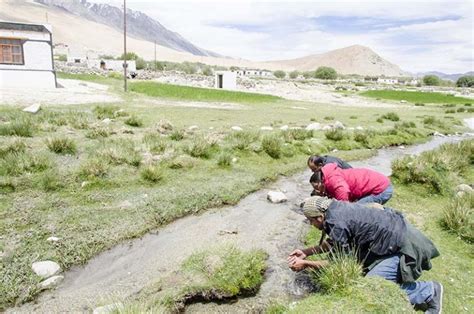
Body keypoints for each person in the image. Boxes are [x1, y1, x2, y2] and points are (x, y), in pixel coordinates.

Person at [288, 196, 443, 313]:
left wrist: (307, 264)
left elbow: (340, 263)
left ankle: (429, 290)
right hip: (395, 238)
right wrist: (306, 252)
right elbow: (334, 243)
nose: (310, 224)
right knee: (364, 273)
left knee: (370, 287)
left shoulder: (336, 222)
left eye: (310, 221)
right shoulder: (335, 210)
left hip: (404, 246)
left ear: (319, 217)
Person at [311, 163, 393, 204]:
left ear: (320, 183)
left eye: (316, 187)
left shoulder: (333, 180)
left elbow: (343, 191)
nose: (316, 190)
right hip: (375, 185)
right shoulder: (328, 176)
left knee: (356, 210)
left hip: (381, 189)